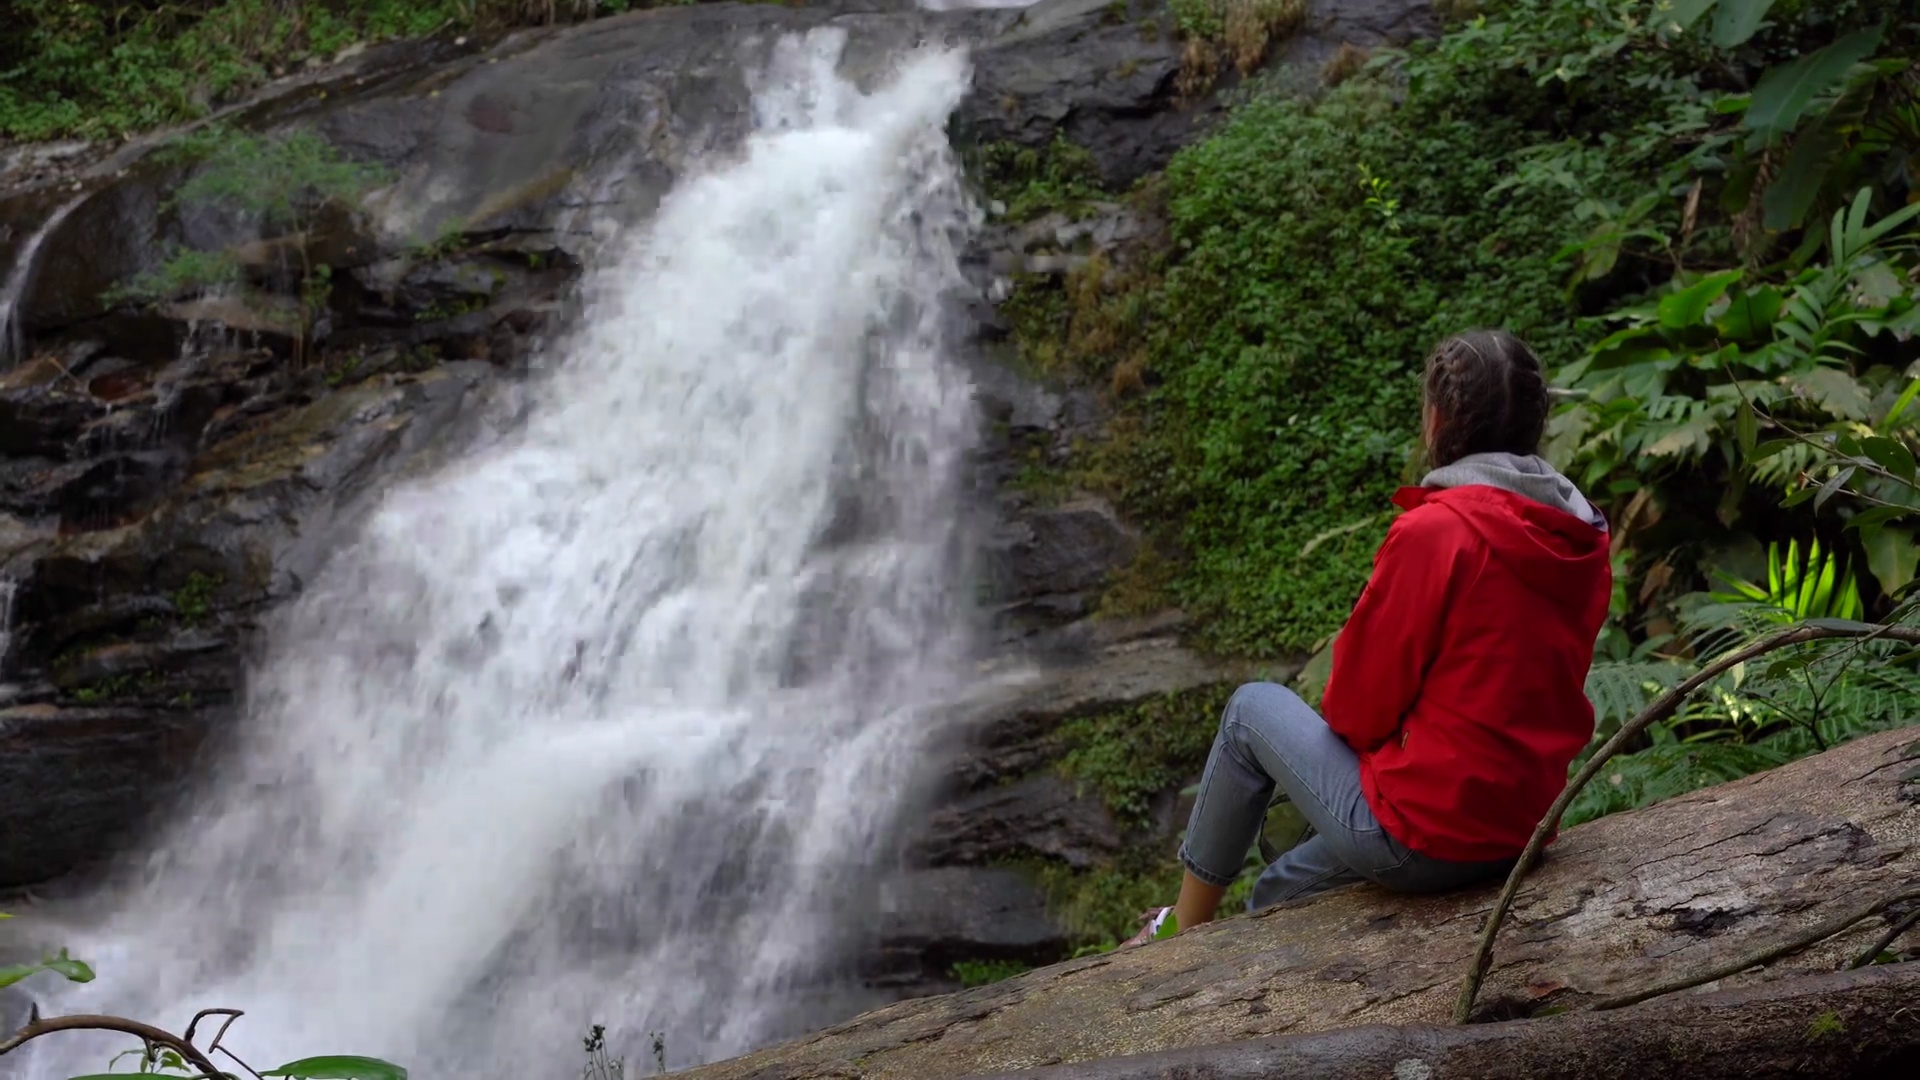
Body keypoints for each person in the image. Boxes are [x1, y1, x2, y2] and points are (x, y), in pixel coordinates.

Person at [1129, 329, 1613, 946]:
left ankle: (1177, 930)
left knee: (1250, 710)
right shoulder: (1579, 532)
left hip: (1429, 831)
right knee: (1275, 896)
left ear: (1436, 419)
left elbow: (1354, 711)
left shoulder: (1437, 533)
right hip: (1525, 824)